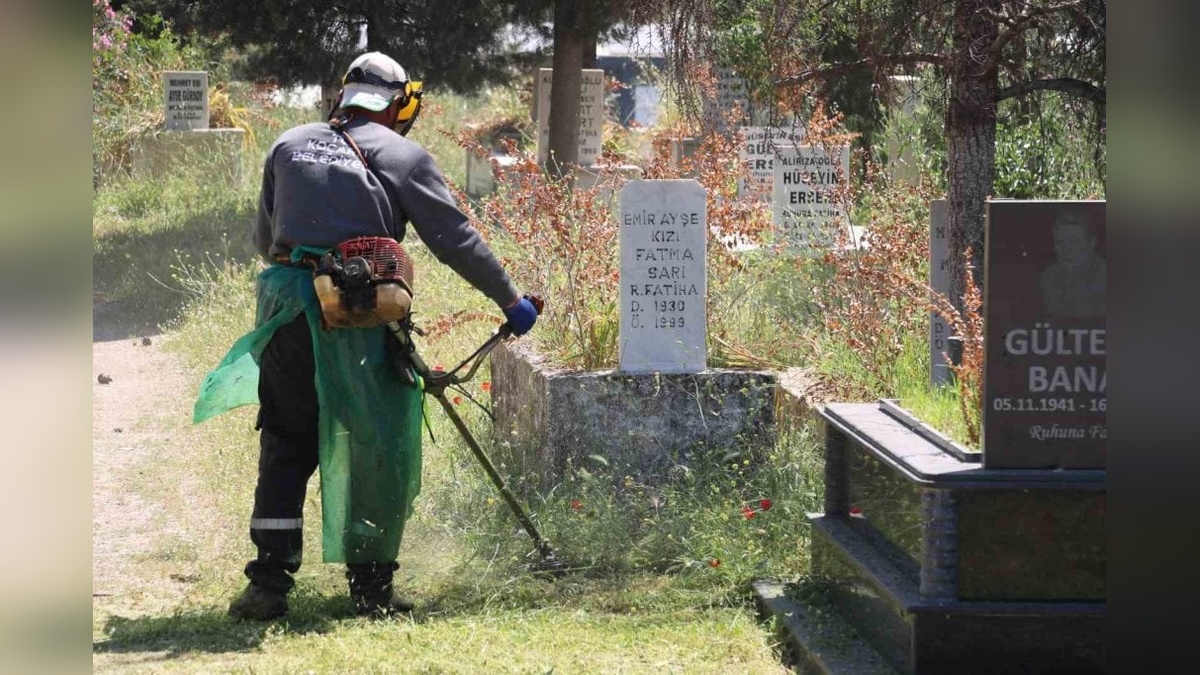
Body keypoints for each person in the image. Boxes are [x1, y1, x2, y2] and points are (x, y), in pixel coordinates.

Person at [193, 51, 538, 621]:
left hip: (288, 314)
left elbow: (266, 240)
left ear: (346, 95)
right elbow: (454, 239)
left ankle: (268, 585)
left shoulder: (287, 144)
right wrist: (510, 300)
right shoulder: (404, 156)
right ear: (400, 104)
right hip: (362, 317)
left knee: (286, 438)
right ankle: (371, 588)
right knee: (376, 441)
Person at [1038, 211, 1106, 318]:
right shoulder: (1049, 277)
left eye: (1074, 242)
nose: (1066, 250)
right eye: (1060, 243)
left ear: (1092, 243)